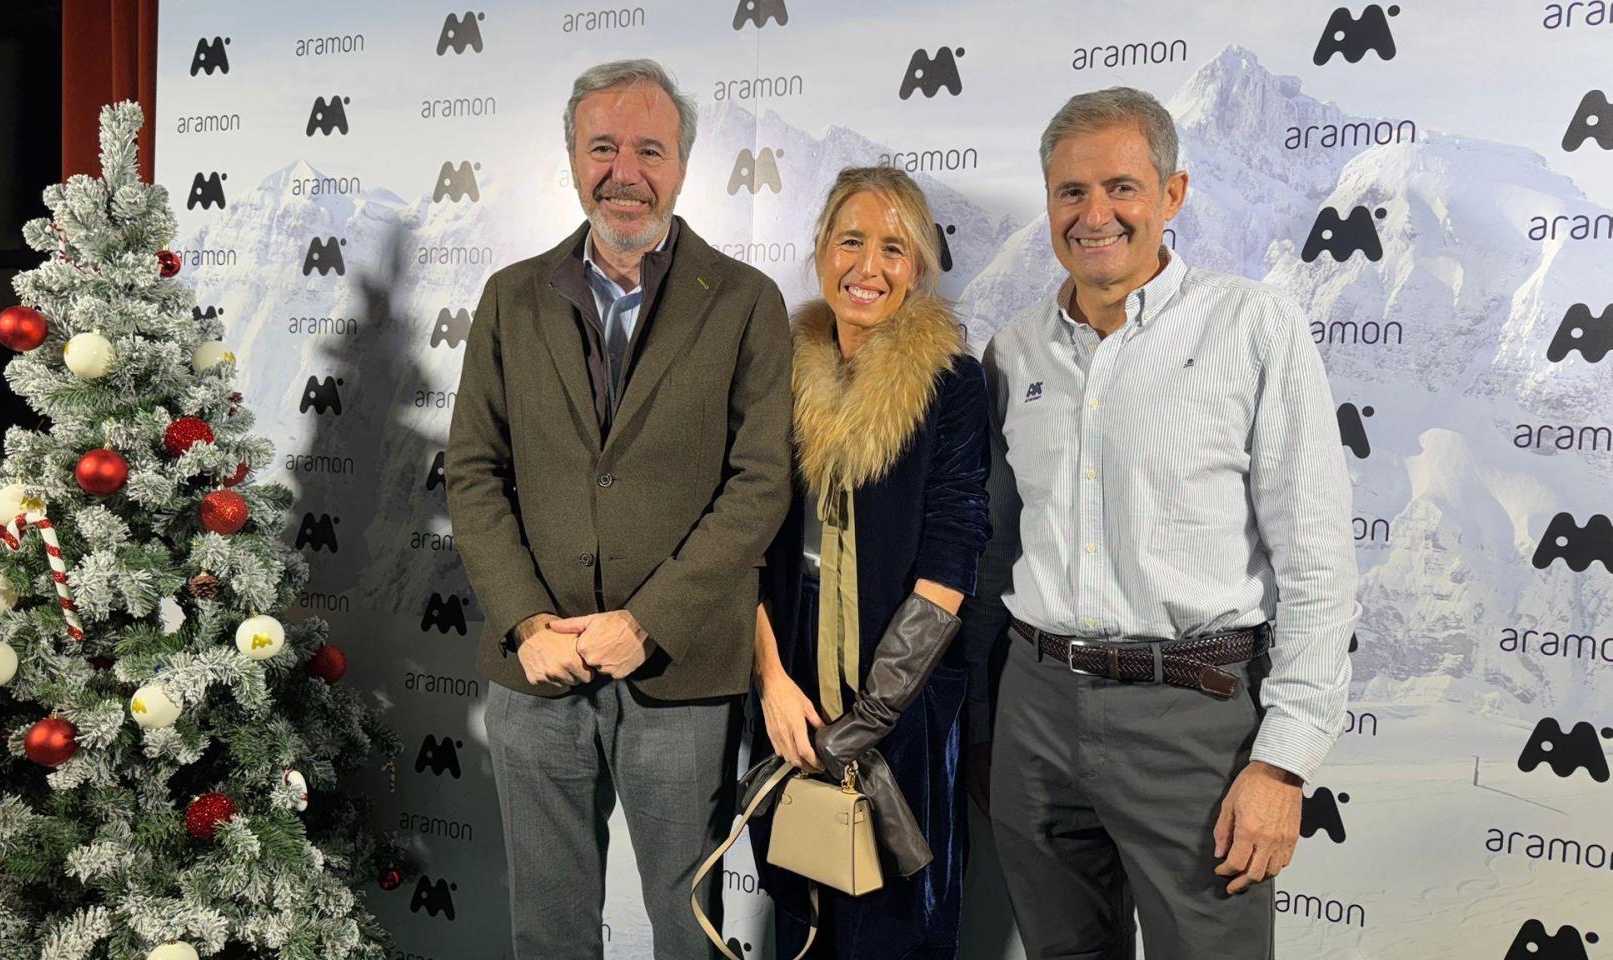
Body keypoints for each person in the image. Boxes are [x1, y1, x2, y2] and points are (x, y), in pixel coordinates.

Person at [960, 86, 1359, 960]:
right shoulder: (1014, 350)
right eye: (1071, 192)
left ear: (1171, 196)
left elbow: (1320, 566)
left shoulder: (1254, 327)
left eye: (1121, 188)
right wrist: (990, 727)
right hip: (1035, 708)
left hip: (1195, 724)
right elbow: (992, 547)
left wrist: (1283, 762)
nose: (1094, 214)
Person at [445, 59, 792, 960]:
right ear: (570, 157)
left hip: (680, 669)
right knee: (548, 929)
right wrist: (526, 623)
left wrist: (649, 620)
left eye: (649, 148)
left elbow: (759, 485)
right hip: (539, 670)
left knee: (691, 926)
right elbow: (474, 471)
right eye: (602, 147)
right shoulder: (509, 297)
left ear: (681, 166)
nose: (624, 171)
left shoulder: (749, 304)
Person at [751, 166, 991, 958]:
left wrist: (874, 715)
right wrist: (774, 684)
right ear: (820, 250)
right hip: (792, 686)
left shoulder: (949, 381)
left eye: (894, 248)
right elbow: (741, 539)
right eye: (851, 241)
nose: (869, 267)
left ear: (918, 267)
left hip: (905, 695)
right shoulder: (775, 373)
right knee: (805, 913)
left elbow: (955, 550)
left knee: (897, 924)